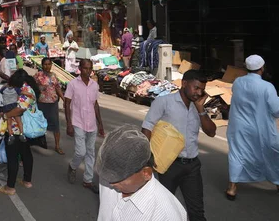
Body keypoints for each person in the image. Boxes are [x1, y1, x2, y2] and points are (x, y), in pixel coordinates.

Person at [142, 70, 216, 221]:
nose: (198, 92)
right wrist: (147, 158)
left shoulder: (198, 107)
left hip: (192, 166)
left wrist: (201, 110)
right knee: (163, 209)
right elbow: (147, 127)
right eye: (196, 88)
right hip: (169, 165)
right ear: (184, 84)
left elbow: (211, 132)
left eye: (201, 89)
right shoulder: (164, 102)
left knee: (197, 212)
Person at [96, 125, 188, 221]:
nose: (111, 183)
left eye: (119, 177)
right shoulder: (109, 175)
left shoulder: (166, 215)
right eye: (108, 176)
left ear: (146, 173)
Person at [226, 54, 279, 200]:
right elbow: (276, 110)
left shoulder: (237, 82)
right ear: (262, 68)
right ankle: (277, 182)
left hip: (239, 127)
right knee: (271, 153)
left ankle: (232, 188)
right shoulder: (267, 87)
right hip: (260, 128)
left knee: (237, 154)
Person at [0, 69, 38, 196]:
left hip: (16, 129)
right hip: (26, 131)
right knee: (26, 154)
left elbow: (19, 110)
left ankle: (10, 187)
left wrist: (5, 115)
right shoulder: (29, 88)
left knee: (13, 157)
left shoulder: (25, 91)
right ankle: (27, 180)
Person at [65, 59, 105, 190]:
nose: (88, 71)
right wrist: (69, 124)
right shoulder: (72, 84)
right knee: (80, 152)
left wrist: (100, 124)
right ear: (80, 68)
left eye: (90, 68)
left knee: (90, 152)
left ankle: (87, 180)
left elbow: (96, 104)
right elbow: (66, 103)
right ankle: (73, 166)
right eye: (86, 68)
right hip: (78, 121)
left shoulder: (94, 85)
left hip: (91, 123)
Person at [35, 58, 65, 155]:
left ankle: (57, 146)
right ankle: (39, 141)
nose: (47, 66)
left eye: (49, 64)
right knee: (40, 124)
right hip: (41, 103)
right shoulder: (37, 75)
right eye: (45, 64)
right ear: (42, 65)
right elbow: (32, 86)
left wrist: (64, 99)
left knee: (55, 125)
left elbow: (57, 88)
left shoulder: (54, 76)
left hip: (53, 103)